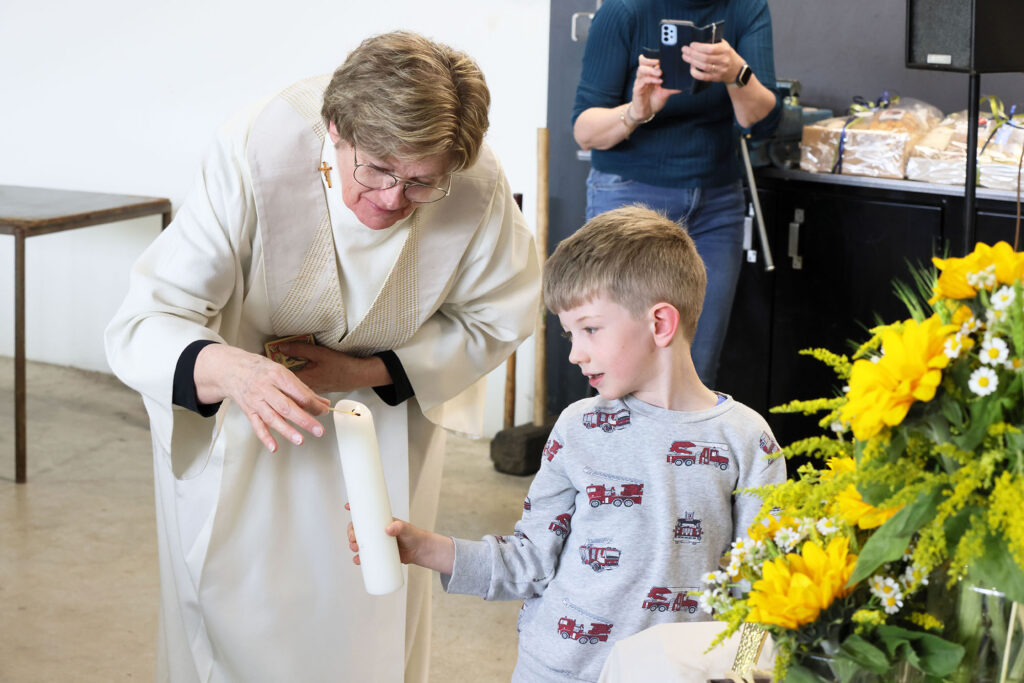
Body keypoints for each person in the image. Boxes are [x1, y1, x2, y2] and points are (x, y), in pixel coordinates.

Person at [104, 31, 540, 683]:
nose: (393, 200)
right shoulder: (257, 151)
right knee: (234, 613)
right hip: (244, 425)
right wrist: (238, 370)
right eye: (377, 170)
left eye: (421, 183)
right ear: (334, 131)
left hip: (381, 430)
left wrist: (363, 372)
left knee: (370, 622)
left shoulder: (470, 179)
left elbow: (503, 312)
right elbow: (146, 320)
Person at [347, 206, 786, 681]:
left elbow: (765, 587)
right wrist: (423, 548)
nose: (576, 354)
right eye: (569, 334)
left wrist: (745, 673)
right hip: (555, 670)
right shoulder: (578, 428)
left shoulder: (747, 439)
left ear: (660, 324)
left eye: (590, 329)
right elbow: (530, 561)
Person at [572, 0, 782, 388]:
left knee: (695, 367)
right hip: (630, 201)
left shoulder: (746, 8)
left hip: (717, 205)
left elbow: (762, 121)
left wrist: (737, 73)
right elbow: (585, 130)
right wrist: (637, 111)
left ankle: (680, 451)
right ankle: (614, 450)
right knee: (616, 365)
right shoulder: (624, 11)